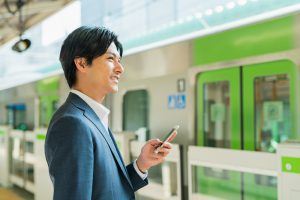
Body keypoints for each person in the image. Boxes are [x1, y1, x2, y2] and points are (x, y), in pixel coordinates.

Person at [44, 26, 173, 200]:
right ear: (81, 63)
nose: (121, 68)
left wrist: (142, 164)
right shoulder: (72, 123)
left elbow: (107, 189)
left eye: (119, 60)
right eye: (111, 59)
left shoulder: (91, 117)